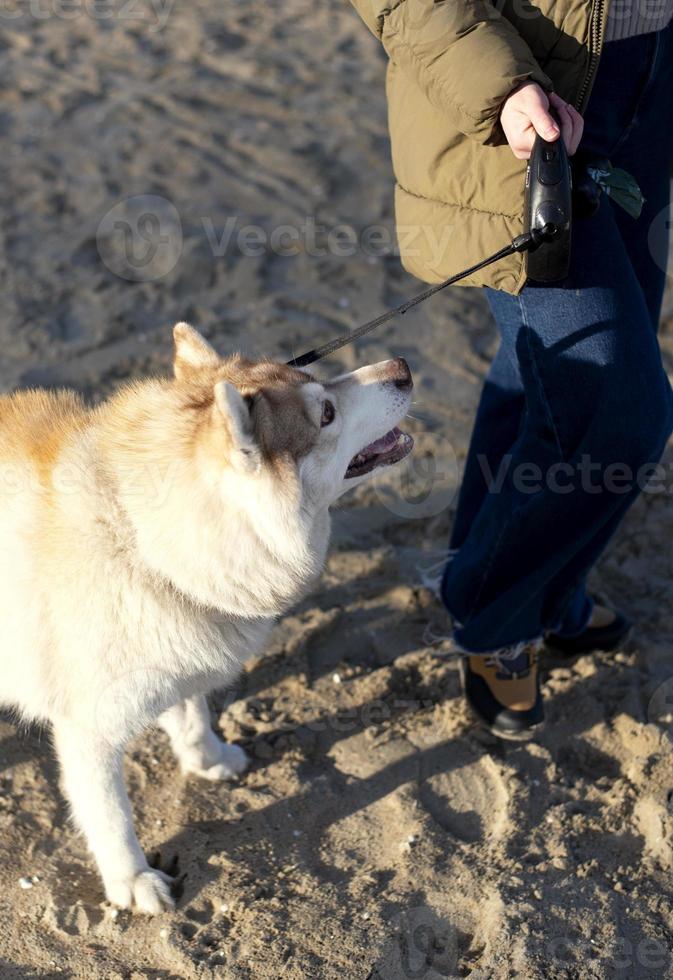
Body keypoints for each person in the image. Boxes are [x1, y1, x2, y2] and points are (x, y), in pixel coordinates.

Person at [348, 0, 673, 738]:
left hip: (648, 77)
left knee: (545, 376)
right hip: (520, 97)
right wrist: (499, 89)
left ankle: (539, 583)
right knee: (616, 411)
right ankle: (493, 608)